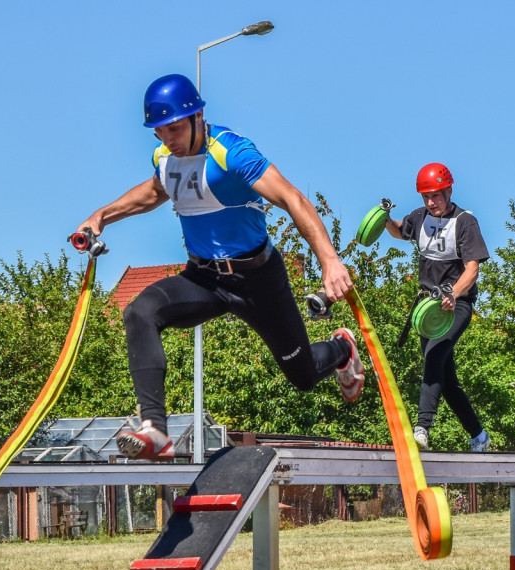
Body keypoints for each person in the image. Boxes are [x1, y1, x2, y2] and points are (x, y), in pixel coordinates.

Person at [76, 74, 364, 460]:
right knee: (139, 311)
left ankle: (342, 348)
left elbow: (293, 199)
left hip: (258, 279)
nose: (167, 139)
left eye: (174, 128)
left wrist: (329, 261)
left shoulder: (231, 152)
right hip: (203, 279)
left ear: (197, 116)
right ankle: (155, 430)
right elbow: (153, 192)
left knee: (304, 375)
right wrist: (102, 216)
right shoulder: (164, 158)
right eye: (159, 132)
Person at [383, 163, 491, 452]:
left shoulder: (465, 222)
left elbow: (472, 270)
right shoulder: (419, 217)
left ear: (449, 191)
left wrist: (454, 294)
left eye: (437, 196)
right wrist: (383, 217)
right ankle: (479, 435)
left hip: (456, 305)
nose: (432, 202)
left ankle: (421, 430)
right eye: (426, 197)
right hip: (428, 310)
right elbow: (397, 232)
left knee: (433, 358)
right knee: (445, 379)